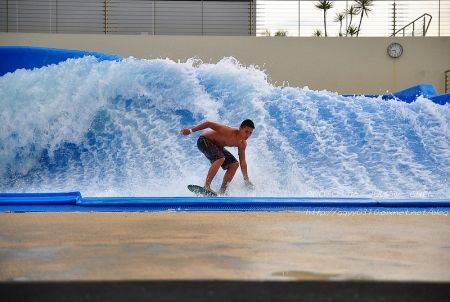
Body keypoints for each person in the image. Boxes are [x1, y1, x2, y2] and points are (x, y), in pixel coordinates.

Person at [180, 119, 255, 195]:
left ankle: (222, 191)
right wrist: (190, 131)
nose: (248, 135)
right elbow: (208, 124)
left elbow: (243, 162)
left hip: (217, 147)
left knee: (234, 164)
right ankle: (207, 186)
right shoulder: (228, 131)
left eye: (250, 133)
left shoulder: (242, 144)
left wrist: (246, 180)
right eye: (246, 131)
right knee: (220, 158)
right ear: (240, 128)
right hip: (204, 141)